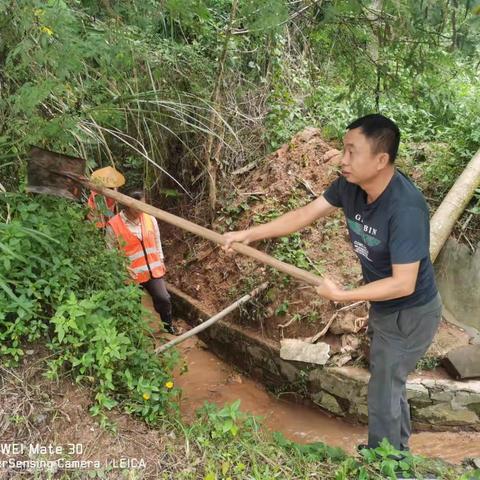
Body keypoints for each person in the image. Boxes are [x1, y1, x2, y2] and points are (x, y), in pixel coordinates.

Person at [223, 114, 441, 453]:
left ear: (381, 160)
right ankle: (394, 456)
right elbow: (304, 215)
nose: (343, 160)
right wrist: (249, 234)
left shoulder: (406, 208)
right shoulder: (348, 186)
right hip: (384, 308)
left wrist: (343, 295)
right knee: (388, 385)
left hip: (411, 313)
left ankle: (387, 465)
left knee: (384, 389)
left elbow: (403, 283)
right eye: (344, 150)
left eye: (352, 152)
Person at [106, 190, 176, 335]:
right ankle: (138, 336)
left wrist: (161, 259)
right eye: (138, 206)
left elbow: (157, 241)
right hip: (131, 275)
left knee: (164, 298)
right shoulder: (113, 225)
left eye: (143, 205)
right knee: (133, 307)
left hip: (152, 270)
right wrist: (122, 268)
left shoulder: (150, 219)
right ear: (127, 206)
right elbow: (110, 252)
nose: (142, 209)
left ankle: (168, 327)